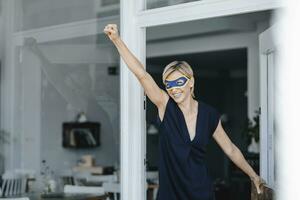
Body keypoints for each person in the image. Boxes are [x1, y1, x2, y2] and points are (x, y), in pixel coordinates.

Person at [103, 24, 264, 200]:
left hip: (201, 193)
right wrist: (117, 40)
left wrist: (253, 175)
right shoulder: (165, 105)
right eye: (169, 84)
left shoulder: (209, 114)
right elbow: (142, 74)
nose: (173, 89)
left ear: (191, 82)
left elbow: (231, 149)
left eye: (179, 82)